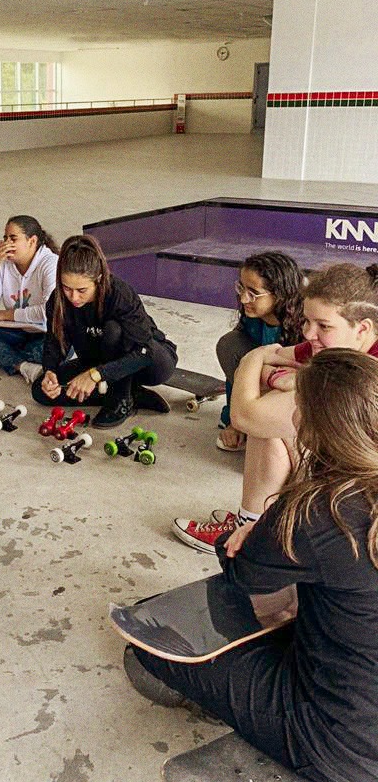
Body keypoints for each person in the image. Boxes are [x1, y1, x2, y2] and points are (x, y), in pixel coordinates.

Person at [129, 348, 378, 782]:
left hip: (340, 746)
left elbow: (243, 574)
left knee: (151, 643)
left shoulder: (320, 511)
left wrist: (241, 534)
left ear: (309, 423)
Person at [174, 262, 378, 553]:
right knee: (270, 423)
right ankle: (256, 522)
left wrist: (250, 361)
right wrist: (280, 376)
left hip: (362, 509)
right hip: (348, 476)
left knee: (265, 422)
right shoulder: (336, 347)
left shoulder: (364, 372)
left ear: (363, 328)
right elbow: (275, 358)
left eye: (323, 326)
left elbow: (245, 415)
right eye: (307, 321)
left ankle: (255, 535)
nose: (308, 333)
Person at [32, 235, 178, 428]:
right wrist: (50, 370)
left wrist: (95, 375)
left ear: (98, 279)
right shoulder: (58, 300)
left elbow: (145, 351)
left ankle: (121, 399)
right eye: (67, 288)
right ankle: (131, 394)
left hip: (148, 360)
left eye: (82, 290)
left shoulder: (120, 294)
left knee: (113, 330)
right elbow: (55, 340)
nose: (73, 297)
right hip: (99, 362)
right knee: (40, 392)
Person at [215, 252, 304, 451]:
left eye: (253, 293)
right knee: (229, 345)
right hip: (261, 388)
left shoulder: (306, 326)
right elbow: (238, 375)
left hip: (291, 396)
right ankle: (244, 420)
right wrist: (234, 420)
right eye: (241, 288)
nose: (244, 298)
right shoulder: (251, 319)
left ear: (280, 294)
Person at [0, 215, 58, 384]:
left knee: (44, 351)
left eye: (13, 238)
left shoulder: (50, 263)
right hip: (19, 330)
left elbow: (47, 313)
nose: (6, 244)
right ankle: (22, 366)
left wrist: (8, 314)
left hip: (46, 333)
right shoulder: (4, 263)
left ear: (32, 241)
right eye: (5, 238)